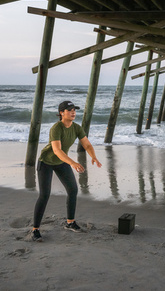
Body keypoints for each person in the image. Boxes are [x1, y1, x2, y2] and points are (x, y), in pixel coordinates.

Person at [27, 100, 102, 242]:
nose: (73, 112)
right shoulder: (56, 128)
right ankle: (35, 229)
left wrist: (94, 157)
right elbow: (56, 150)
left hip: (61, 162)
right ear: (62, 113)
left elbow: (87, 144)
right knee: (44, 195)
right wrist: (73, 163)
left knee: (73, 190)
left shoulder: (76, 128)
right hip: (47, 162)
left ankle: (70, 222)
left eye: (74, 110)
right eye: (70, 110)